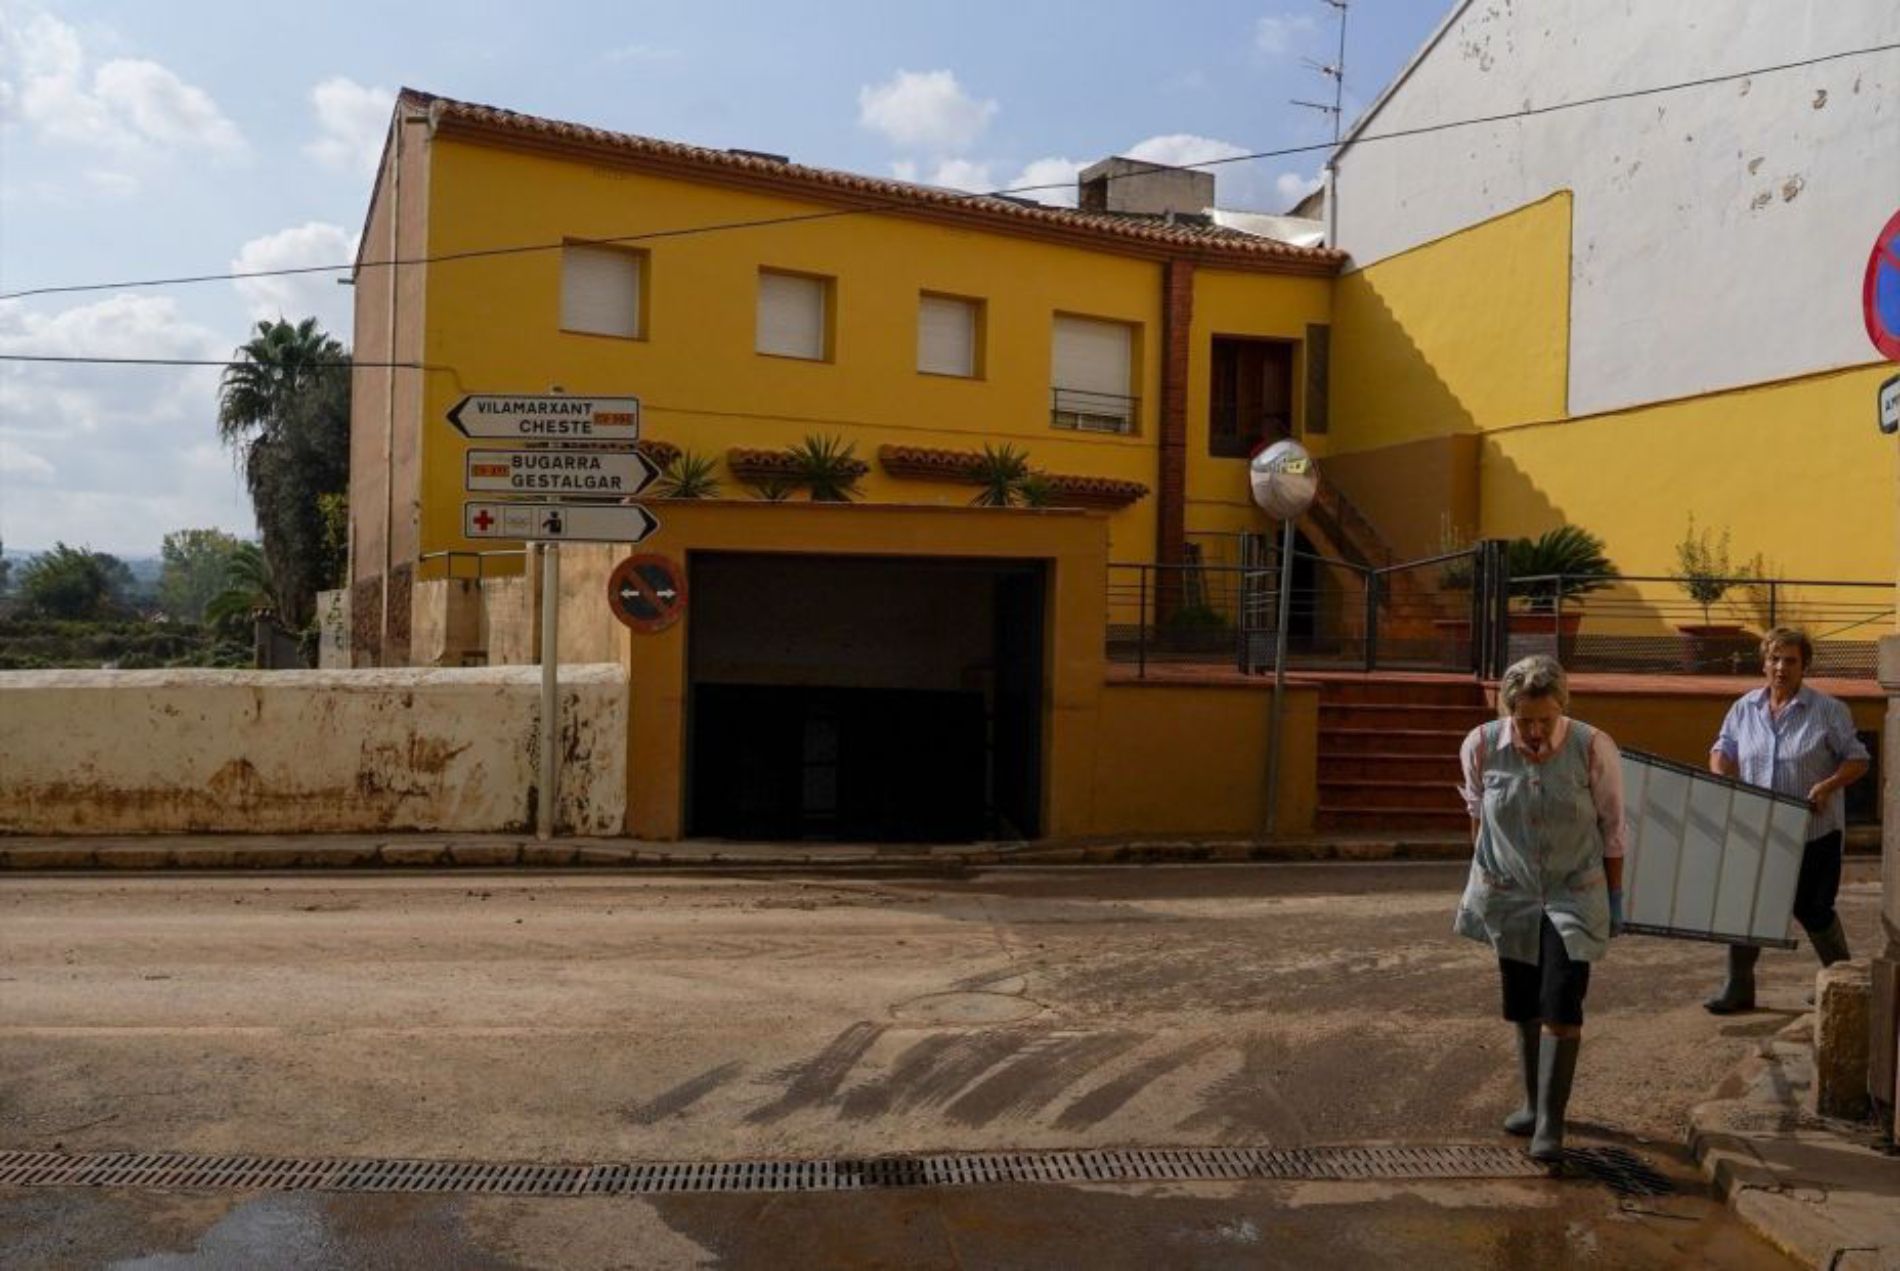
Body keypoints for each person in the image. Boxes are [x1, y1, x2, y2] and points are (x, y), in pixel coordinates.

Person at [1456, 655, 1626, 1163]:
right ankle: (1532, 1103)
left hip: (1574, 892)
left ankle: (1551, 1123)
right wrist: (1484, 879)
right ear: (1509, 710)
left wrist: (1613, 899)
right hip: (1511, 894)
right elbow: (1476, 816)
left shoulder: (1592, 747)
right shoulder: (1482, 745)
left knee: (1561, 1003)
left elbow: (1613, 828)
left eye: (1544, 720)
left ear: (1561, 709)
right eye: (1524, 719)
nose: (1533, 731)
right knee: (1523, 1003)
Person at [1703, 627, 1871, 1014]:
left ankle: (1845, 981)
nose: (1781, 667)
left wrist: (1828, 785)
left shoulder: (1829, 710)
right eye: (1774, 659)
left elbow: (1858, 759)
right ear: (1764, 663)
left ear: (1804, 665)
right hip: (1757, 831)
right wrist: (1719, 774)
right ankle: (1738, 987)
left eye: (1790, 660)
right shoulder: (1745, 707)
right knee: (1747, 906)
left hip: (1814, 832)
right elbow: (1723, 747)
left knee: (1813, 910)